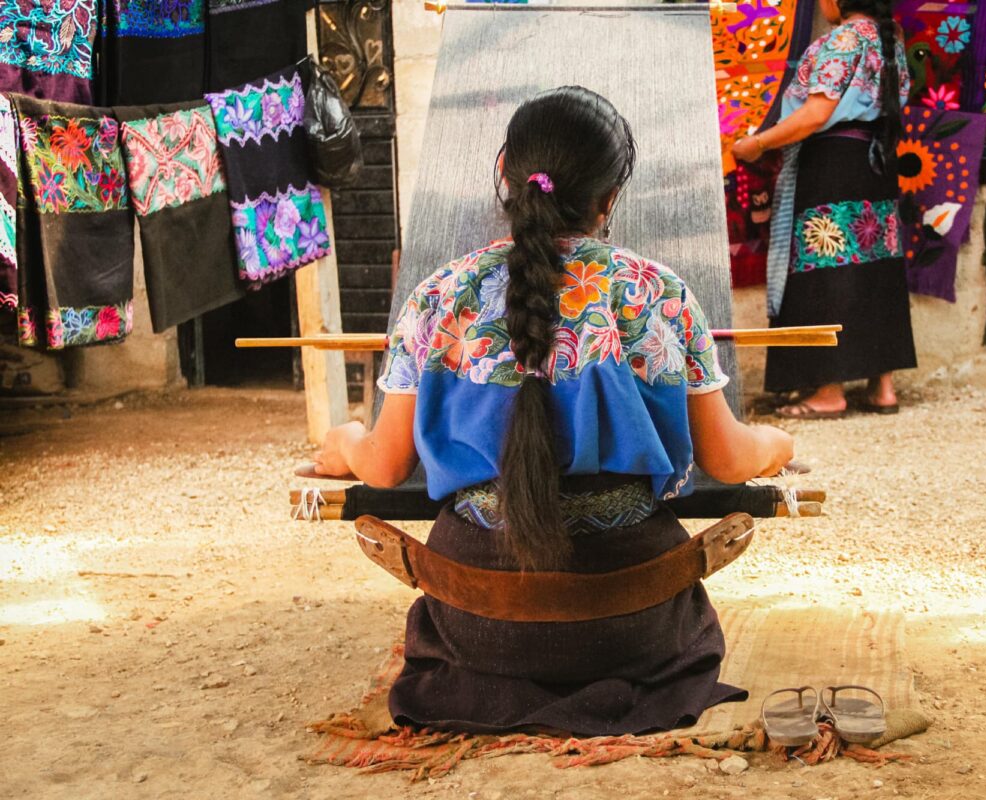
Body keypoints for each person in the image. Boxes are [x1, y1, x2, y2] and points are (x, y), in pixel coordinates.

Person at [313, 86, 795, 736]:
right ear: (610, 198)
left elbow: (384, 464)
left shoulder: (438, 296)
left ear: (505, 171)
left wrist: (344, 442)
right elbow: (730, 460)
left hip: (478, 619)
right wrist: (777, 443)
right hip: (630, 617)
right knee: (683, 615)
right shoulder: (658, 292)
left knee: (457, 606)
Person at [732, 0, 914, 419]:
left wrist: (757, 143)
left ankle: (829, 391)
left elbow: (816, 114)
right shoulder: (892, 42)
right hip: (875, 163)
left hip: (833, 164)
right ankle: (882, 387)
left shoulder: (842, 40)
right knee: (874, 269)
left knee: (825, 268)